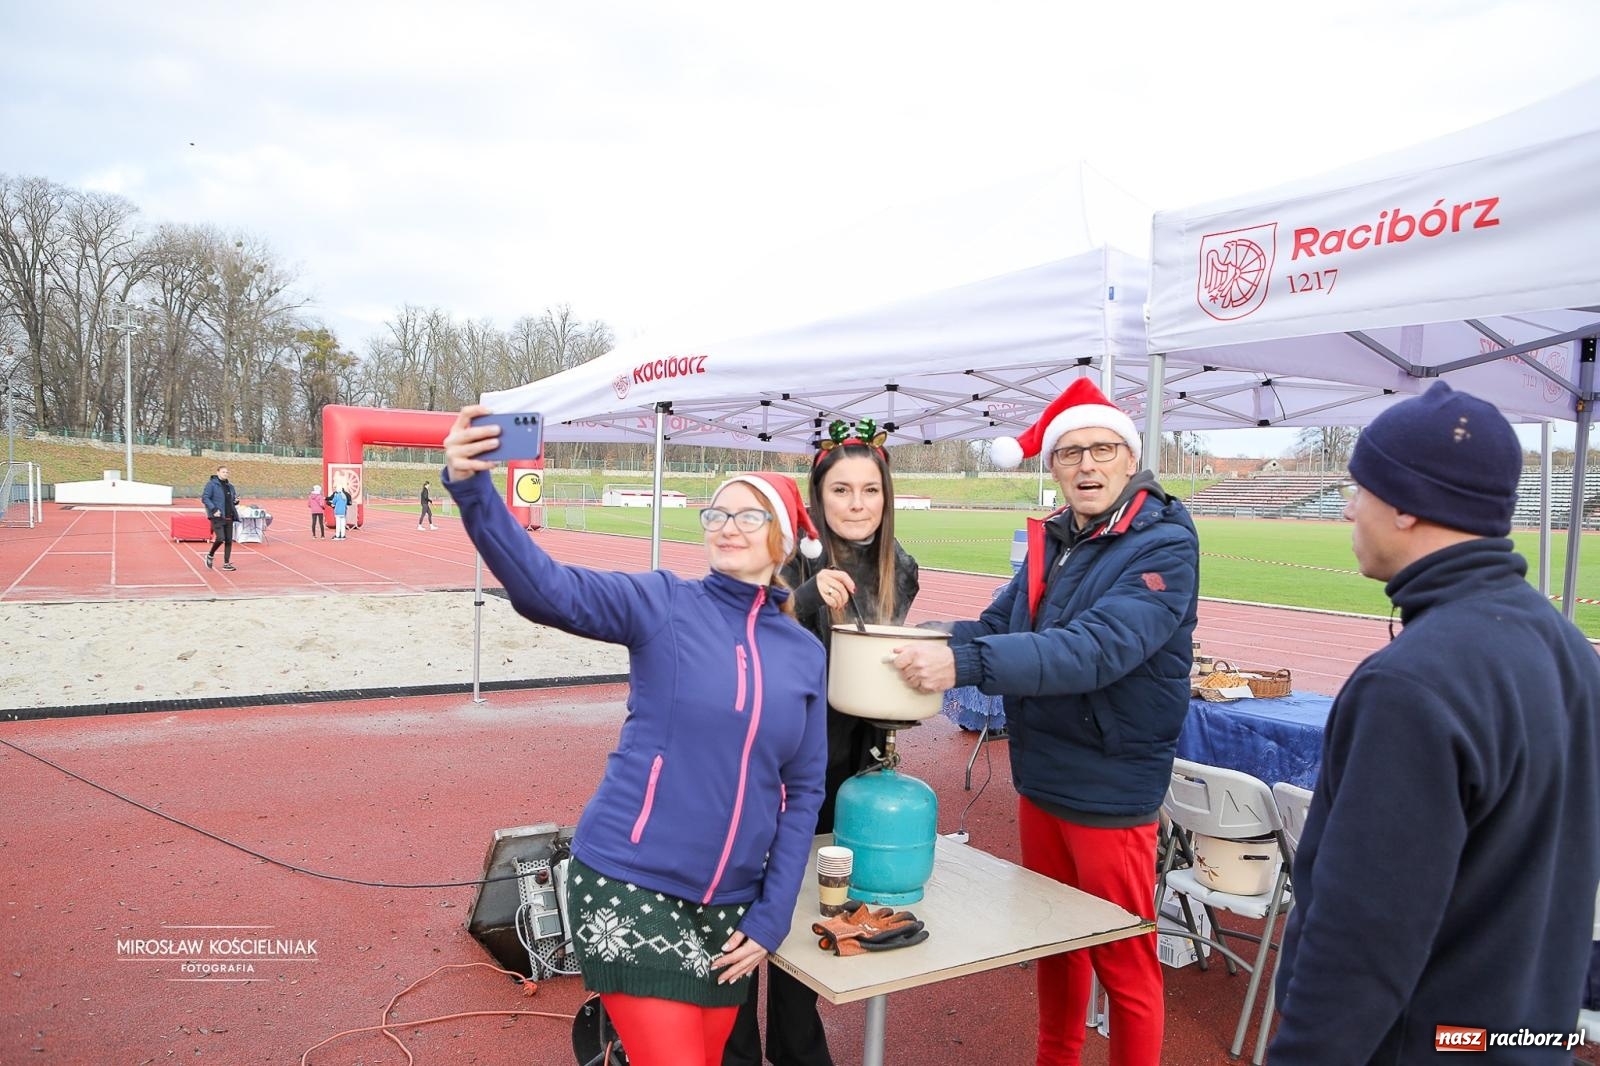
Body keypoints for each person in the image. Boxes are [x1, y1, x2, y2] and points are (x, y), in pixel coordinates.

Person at [442, 404, 829, 1066]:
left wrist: (772, 915)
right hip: (628, 881)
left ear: (785, 544)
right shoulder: (662, 603)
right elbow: (546, 590)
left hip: (731, 906)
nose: (727, 526)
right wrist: (472, 486)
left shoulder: (803, 653)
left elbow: (803, 791)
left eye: (749, 516)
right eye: (717, 514)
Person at [1269, 382, 1600, 1064]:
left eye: (1360, 489)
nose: (1349, 509)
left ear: (1407, 505)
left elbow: (1362, 936)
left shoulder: (1411, 682)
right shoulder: (1569, 649)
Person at [891, 379, 1198, 1066]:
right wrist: (923, 638)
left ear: (1131, 459)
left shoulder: (1164, 543)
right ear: (1053, 467)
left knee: (1123, 960)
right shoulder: (1055, 539)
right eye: (1069, 453)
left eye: (1102, 449)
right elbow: (998, 626)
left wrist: (963, 663)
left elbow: (1097, 648)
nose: (1087, 465)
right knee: (1054, 943)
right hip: (1044, 774)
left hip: (1111, 782)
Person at [724, 418, 920, 1066]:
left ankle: (797, 1047)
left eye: (870, 490)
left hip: (849, 769)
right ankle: (732, 1051)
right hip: (770, 764)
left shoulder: (900, 568)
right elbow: (738, 641)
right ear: (818, 497)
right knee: (744, 904)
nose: (857, 504)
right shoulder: (784, 553)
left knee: (815, 902)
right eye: (841, 490)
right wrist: (804, 597)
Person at [202, 465, 241, 572]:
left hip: (229, 515)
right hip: (217, 516)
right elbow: (205, 498)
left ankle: (226, 563)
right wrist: (214, 509)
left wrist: (236, 501)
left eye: (227, 472)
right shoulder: (211, 484)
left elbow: (231, 500)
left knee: (228, 540)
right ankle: (210, 555)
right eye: (223, 472)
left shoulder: (230, 486)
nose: (225, 474)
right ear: (218, 472)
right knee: (220, 538)